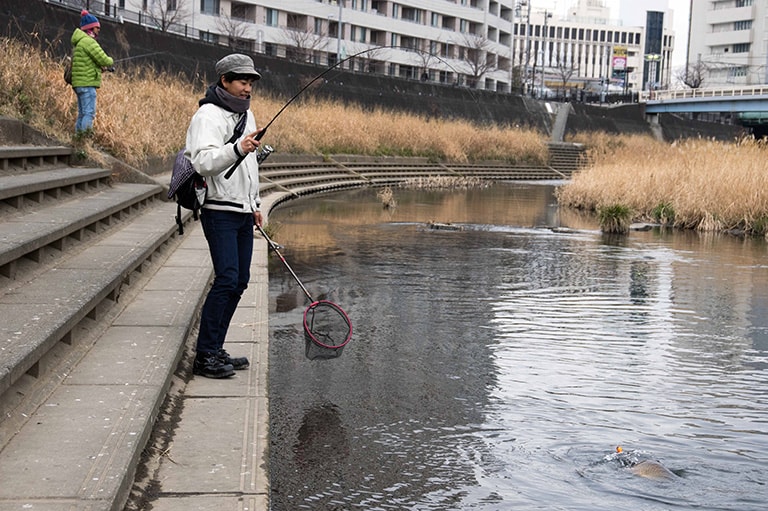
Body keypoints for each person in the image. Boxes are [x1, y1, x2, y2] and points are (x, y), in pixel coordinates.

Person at [185, 54, 264, 379]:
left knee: (240, 282)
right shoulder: (207, 116)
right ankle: (205, 355)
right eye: (242, 81)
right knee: (227, 278)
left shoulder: (247, 115)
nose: (248, 87)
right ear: (225, 81)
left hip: (244, 211)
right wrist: (237, 149)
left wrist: (256, 203)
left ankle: (216, 349)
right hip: (218, 210)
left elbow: (250, 166)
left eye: (251, 82)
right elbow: (201, 162)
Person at [70, 10, 114, 136]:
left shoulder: (79, 42)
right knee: (89, 114)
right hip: (87, 84)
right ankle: (84, 140)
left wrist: (100, 69)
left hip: (79, 83)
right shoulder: (88, 42)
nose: (98, 30)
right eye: (97, 27)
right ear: (90, 28)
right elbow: (104, 59)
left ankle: (78, 139)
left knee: (82, 113)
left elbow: (86, 63)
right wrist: (110, 61)